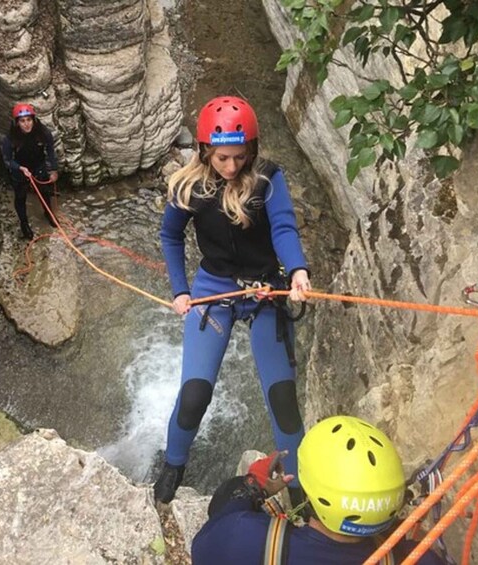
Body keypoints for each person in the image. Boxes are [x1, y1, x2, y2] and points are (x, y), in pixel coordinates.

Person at [154, 96, 312, 504]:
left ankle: (297, 487)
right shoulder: (190, 186)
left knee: (282, 398)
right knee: (194, 395)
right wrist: (180, 290)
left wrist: (297, 269)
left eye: (240, 157)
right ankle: (174, 463)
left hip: (264, 291)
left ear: (252, 150)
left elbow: (283, 227)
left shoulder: (267, 179)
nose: (231, 167)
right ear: (206, 150)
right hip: (214, 292)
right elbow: (170, 236)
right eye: (222, 158)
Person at [191, 415, 448, 564]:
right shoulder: (415, 558)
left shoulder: (242, 538)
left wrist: (255, 483)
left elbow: (220, 512)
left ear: (306, 494)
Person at [0, 103, 59, 240]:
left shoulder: (42, 132)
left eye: (29, 120)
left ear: (33, 120)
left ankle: (48, 213)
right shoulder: (10, 139)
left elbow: (50, 151)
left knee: (44, 191)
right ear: (17, 123)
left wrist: (53, 170)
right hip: (19, 169)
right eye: (22, 121)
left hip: (38, 165)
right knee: (20, 197)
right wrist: (19, 168)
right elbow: (7, 160)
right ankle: (24, 224)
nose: (26, 124)